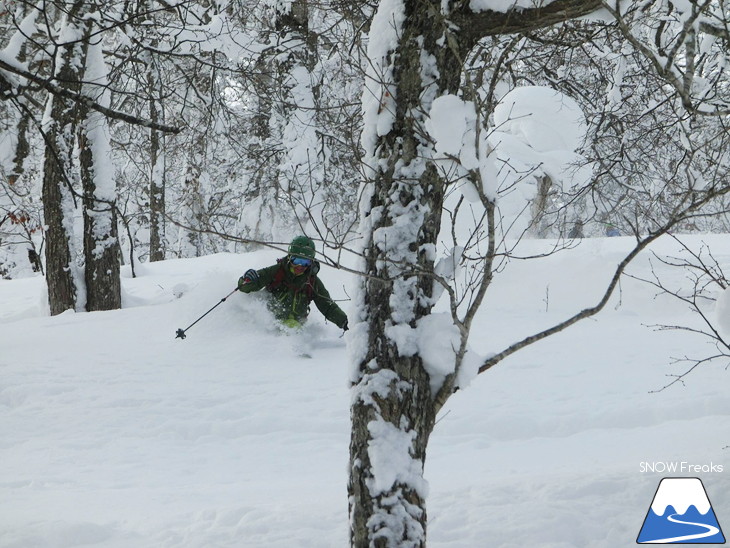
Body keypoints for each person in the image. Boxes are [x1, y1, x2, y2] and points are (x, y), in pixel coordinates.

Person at [237, 235, 348, 331]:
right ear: (290, 257)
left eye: (305, 262)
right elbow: (245, 287)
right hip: (269, 325)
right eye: (296, 261)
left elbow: (328, 307)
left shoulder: (312, 281)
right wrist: (247, 279)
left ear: (311, 262)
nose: (300, 266)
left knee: (294, 332)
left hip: (296, 327)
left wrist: (345, 322)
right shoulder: (277, 271)